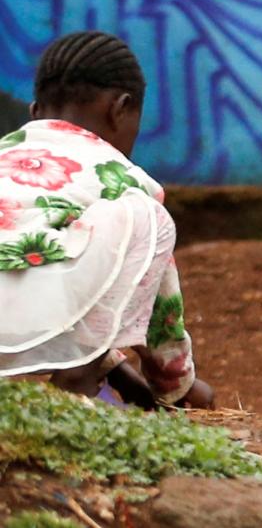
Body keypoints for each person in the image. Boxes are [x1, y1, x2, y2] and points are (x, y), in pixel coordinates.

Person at [1, 32, 213, 410]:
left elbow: (45, 273)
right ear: (121, 108)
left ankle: (92, 367)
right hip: (20, 325)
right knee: (146, 214)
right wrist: (176, 384)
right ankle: (76, 381)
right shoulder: (123, 178)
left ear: (35, 111)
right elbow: (157, 311)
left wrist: (115, 367)